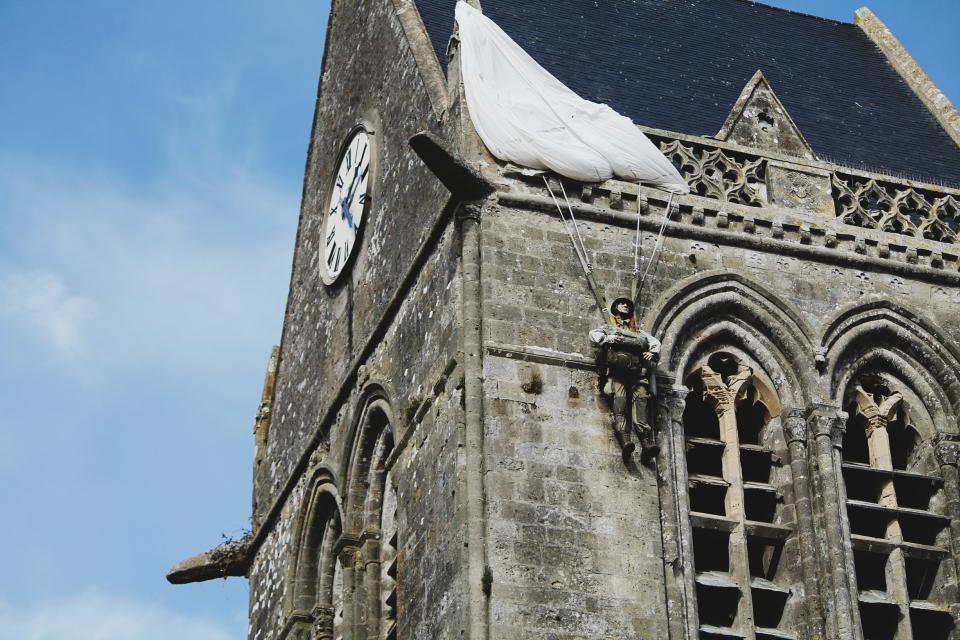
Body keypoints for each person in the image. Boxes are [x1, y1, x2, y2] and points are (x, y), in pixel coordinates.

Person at [589, 297, 661, 464]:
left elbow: (655, 343)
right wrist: (607, 339)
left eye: (628, 305)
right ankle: (625, 441)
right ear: (615, 307)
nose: (625, 306)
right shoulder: (609, 327)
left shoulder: (638, 332)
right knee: (619, 405)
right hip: (616, 374)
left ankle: (646, 445)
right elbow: (594, 335)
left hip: (637, 376)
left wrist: (653, 353)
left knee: (641, 403)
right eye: (622, 304)